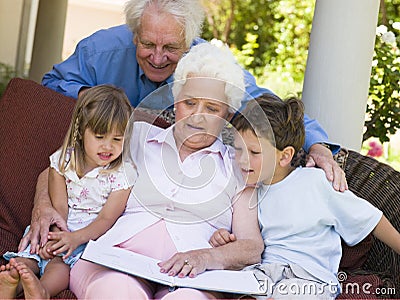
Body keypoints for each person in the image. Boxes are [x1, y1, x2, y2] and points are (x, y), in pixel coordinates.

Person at [42, 0, 345, 188]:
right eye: (147, 44)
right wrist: (98, 101)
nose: (158, 58)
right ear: (134, 34)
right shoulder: (101, 50)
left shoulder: (208, 65)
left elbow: (263, 104)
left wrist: (317, 144)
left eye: (172, 48)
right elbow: (51, 84)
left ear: (190, 42)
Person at [67, 42, 264, 299]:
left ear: (228, 113)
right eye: (190, 103)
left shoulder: (239, 166)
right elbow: (63, 168)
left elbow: (251, 247)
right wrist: (44, 208)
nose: (198, 116)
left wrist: (208, 256)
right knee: (117, 290)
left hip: (193, 280)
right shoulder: (135, 137)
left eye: (212, 109)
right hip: (115, 261)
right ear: (175, 100)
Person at [211, 94, 400, 298]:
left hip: (309, 279)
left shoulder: (314, 183)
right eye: (238, 150)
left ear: (284, 156)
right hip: (264, 275)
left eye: (254, 152)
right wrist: (223, 237)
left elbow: (370, 219)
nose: (242, 160)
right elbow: (246, 242)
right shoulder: (250, 192)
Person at [0, 85, 133, 299]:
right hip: (58, 226)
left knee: (60, 265)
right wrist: (53, 237)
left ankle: (42, 291)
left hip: (87, 236)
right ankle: (12, 283)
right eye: (100, 136)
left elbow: (106, 220)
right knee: (30, 257)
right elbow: (58, 207)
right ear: (81, 132)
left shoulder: (121, 174)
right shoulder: (63, 162)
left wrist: (73, 239)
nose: (108, 146)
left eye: (117, 139)